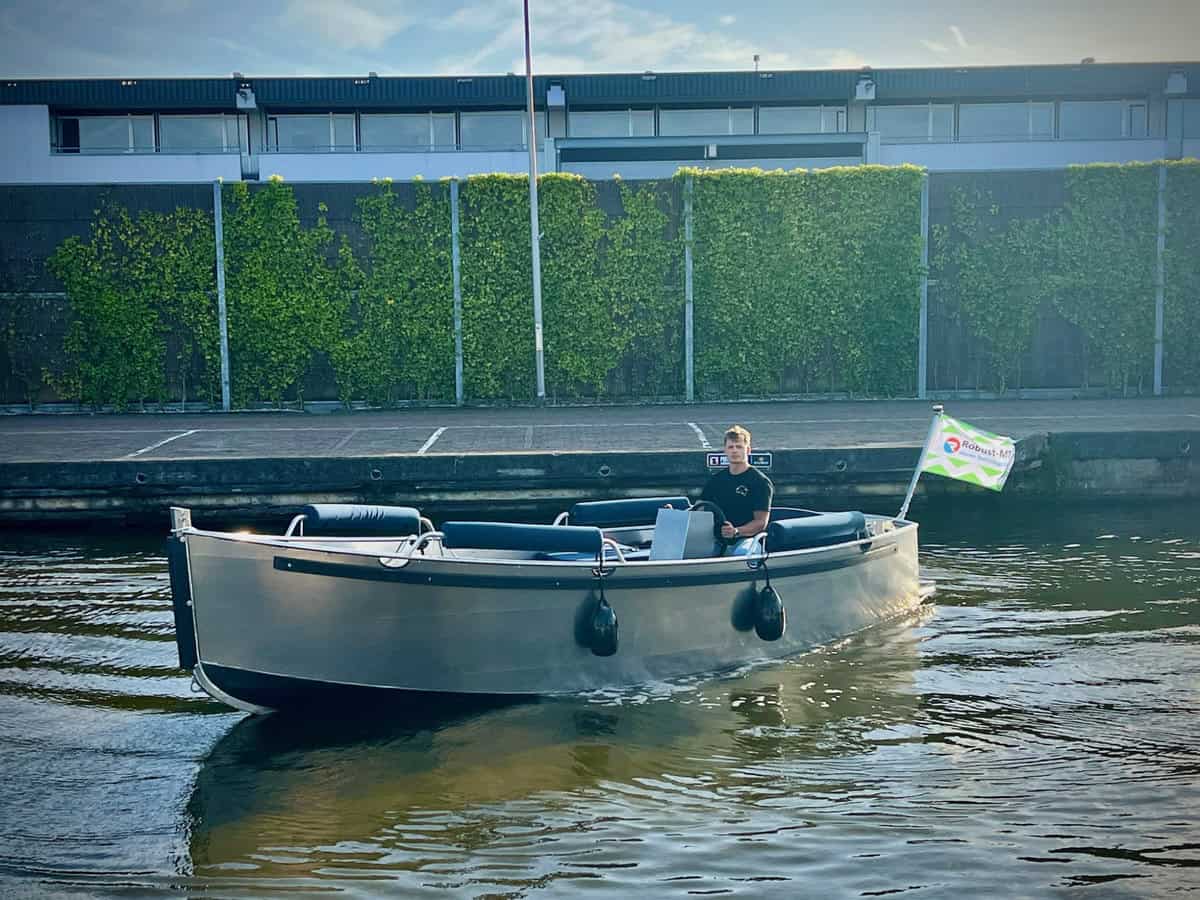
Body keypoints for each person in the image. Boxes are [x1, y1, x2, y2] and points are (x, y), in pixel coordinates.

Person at [699, 425, 773, 552]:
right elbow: (698, 508)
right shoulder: (716, 480)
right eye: (730, 447)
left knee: (742, 552)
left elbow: (761, 522)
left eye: (739, 447)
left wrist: (736, 531)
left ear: (748, 450)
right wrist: (676, 514)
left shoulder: (760, 482)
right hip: (718, 540)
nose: (734, 451)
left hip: (747, 540)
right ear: (725, 451)